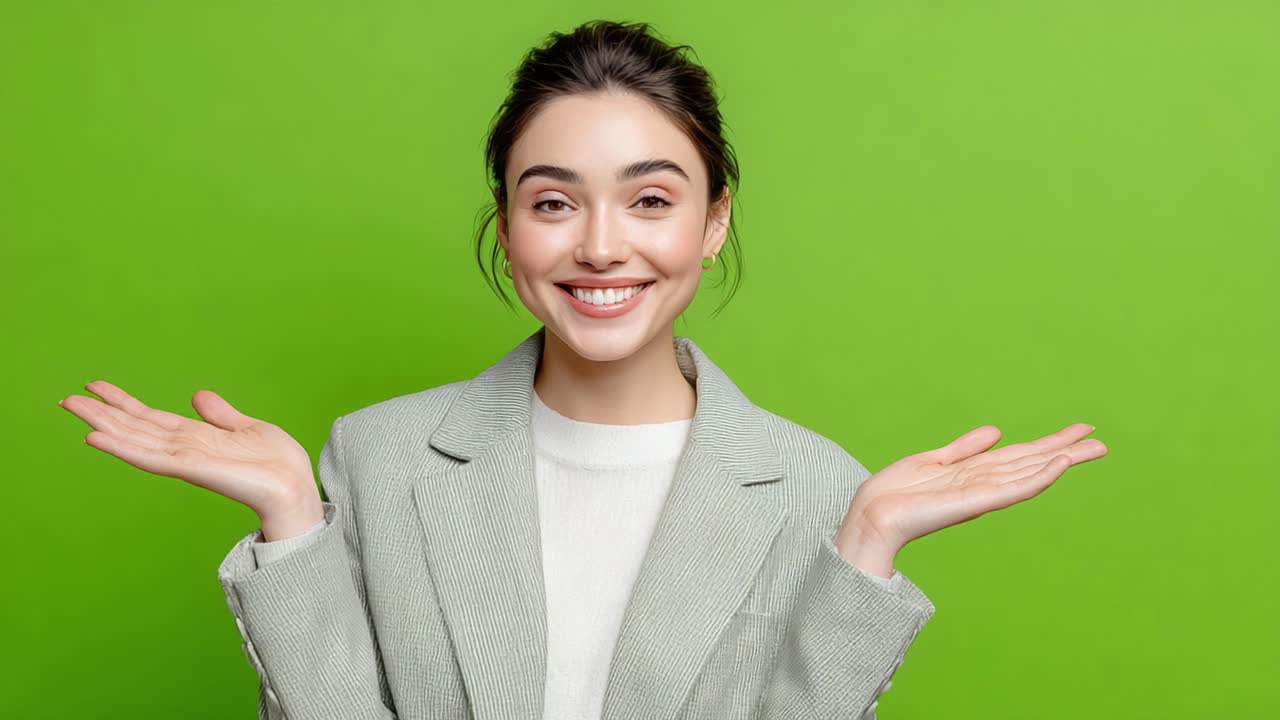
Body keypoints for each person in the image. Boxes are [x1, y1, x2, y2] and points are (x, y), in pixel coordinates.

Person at [57, 19, 1108, 720]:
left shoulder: (817, 487)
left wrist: (868, 544)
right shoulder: (376, 456)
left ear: (712, 221)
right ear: (507, 227)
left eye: (650, 199)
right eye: (552, 201)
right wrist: (293, 520)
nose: (600, 247)